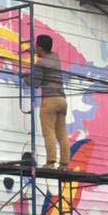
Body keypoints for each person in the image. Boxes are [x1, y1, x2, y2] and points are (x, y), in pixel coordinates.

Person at [31, 34, 68, 170]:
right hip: (62, 100)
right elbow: (45, 54)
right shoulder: (55, 57)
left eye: (36, 46)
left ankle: (50, 162)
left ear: (40, 47)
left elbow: (35, 83)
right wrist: (34, 52)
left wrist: (25, 77)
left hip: (50, 100)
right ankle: (64, 164)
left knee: (49, 132)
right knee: (62, 134)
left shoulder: (41, 64)